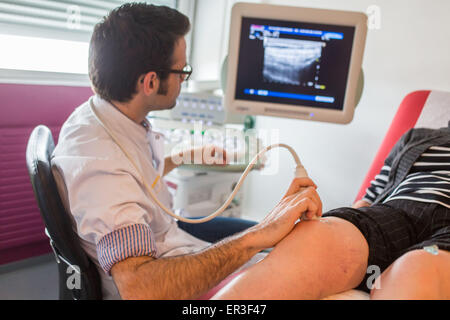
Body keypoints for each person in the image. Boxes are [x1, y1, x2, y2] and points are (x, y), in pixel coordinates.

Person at [51, 3, 324, 300]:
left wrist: (183, 157)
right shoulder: (102, 167)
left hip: (170, 239)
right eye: (183, 71)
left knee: (280, 242)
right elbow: (141, 288)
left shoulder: (101, 116)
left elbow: (136, 177)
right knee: (301, 271)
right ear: (151, 82)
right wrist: (257, 238)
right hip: (167, 279)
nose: (184, 79)